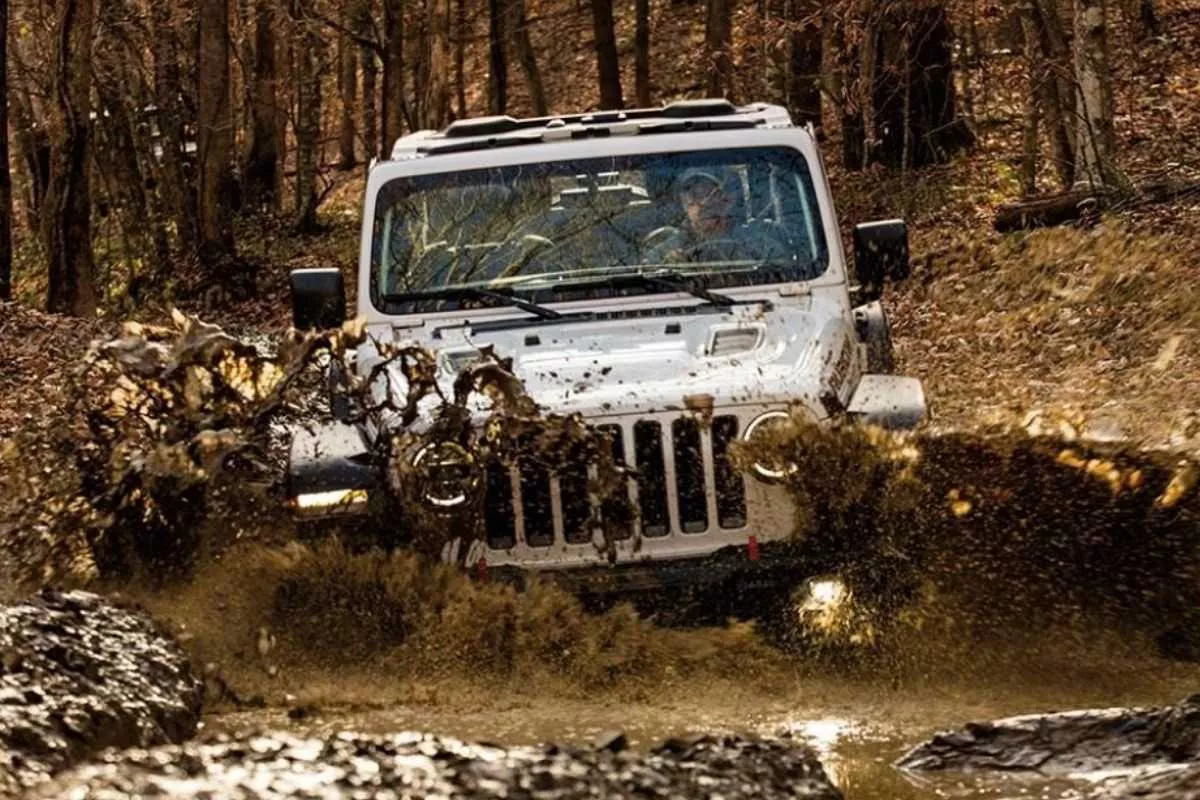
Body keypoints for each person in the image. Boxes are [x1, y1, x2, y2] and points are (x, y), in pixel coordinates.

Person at [642, 166, 793, 265]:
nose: (704, 203)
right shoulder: (664, 251)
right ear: (683, 204)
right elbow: (649, 280)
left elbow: (785, 271)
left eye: (712, 194)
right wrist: (672, 269)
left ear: (728, 200)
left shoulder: (760, 241)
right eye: (694, 195)